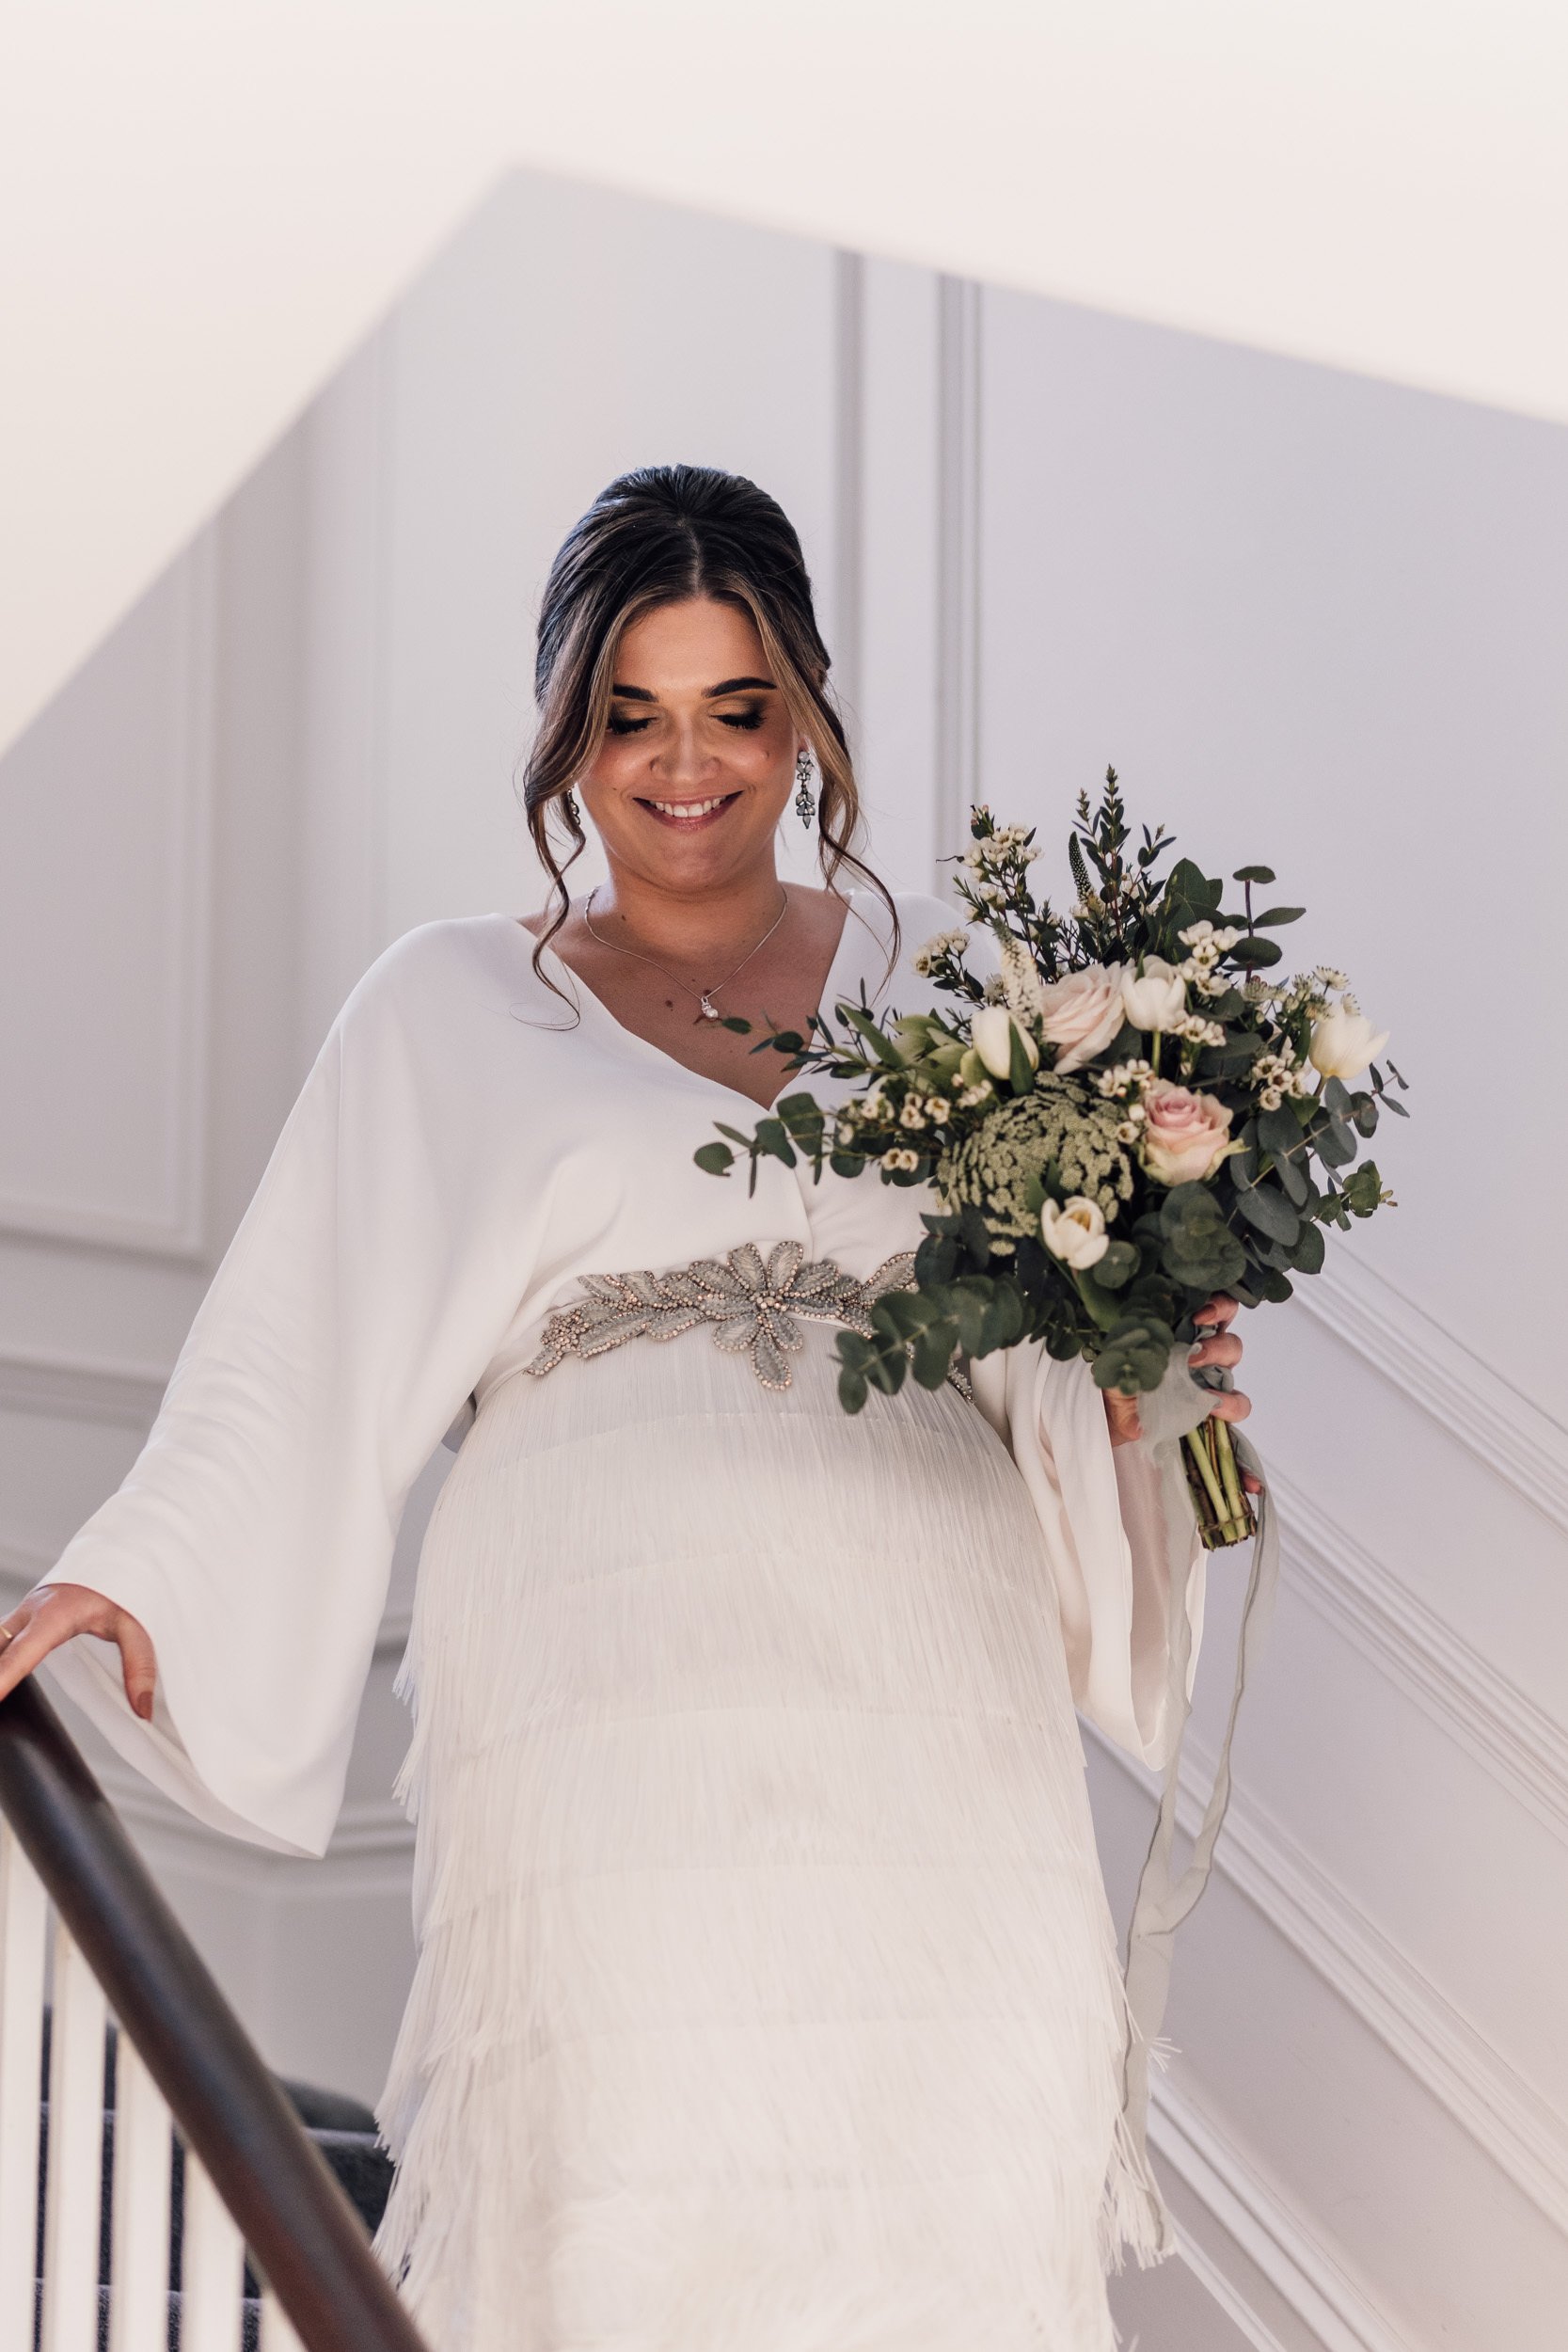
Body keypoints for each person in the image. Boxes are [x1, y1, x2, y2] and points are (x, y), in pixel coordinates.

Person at [0, 465, 1255, 2352]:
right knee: (629, 2174)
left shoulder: (959, 1007)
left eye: (737, 709)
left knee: (954, 2164)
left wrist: (1156, 1348)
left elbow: (1052, 1374)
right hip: (603, 1681)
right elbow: (290, 1343)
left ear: (806, 711)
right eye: (630, 715)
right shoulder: (445, 1005)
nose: (688, 766)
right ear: (566, 739)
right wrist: (137, 1574)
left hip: (932, 1679)